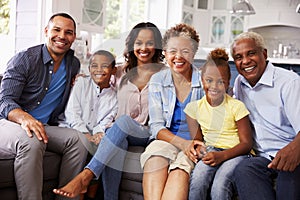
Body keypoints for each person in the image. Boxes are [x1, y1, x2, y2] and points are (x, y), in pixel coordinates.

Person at [53, 22, 165, 200]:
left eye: (149, 43)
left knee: (123, 122)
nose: (144, 48)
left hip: (147, 132)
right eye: (138, 43)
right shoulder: (119, 72)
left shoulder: (165, 74)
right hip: (118, 132)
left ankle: (87, 175)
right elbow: (100, 76)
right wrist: (82, 77)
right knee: (117, 142)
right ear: (132, 45)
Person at [0, 13, 87, 200]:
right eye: (57, 30)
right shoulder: (24, 59)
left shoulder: (73, 63)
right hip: (9, 124)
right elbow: (5, 101)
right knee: (32, 139)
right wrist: (26, 119)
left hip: (45, 125)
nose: (62, 36)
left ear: (73, 37)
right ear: (46, 31)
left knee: (79, 140)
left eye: (68, 32)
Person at [231, 31, 300, 200]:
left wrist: (294, 148)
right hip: (261, 158)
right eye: (239, 57)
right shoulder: (240, 83)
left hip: (291, 154)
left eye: (251, 53)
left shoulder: (289, 82)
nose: (245, 61)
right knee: (243, 170)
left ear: (264, 53)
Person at [140, 23, 204, 200]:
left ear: (193, 53)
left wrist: (189, 145)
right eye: (172, 51)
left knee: (180, 170)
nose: (178, 57)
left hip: (195, 144)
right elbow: (157, 127)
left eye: (185, 51)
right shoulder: (157, 80)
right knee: (154, 159)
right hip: (165, 140)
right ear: (165, 53)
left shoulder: (205, 81)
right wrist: (182, 143)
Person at [184, 48, 252, 200]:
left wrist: (222, 156)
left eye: (220, 81)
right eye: (209, 80)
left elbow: (247, 143)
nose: (214, 86)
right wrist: (200, 149)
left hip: (237, 153)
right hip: (212, 151)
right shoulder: (193, 109)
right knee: (198, 180)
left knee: (220, 186)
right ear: (202, 80)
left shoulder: (237, 106)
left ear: (228, 83)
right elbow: (198, 140)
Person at [63, 50, 118, 151]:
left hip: (95, 134)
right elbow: (72, 113)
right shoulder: (81, 83)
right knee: (81, 143)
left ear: (114, 70)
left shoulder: (115, 97)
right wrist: (85, 134)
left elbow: (107, 120)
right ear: (89, 69)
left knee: (106, 146)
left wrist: (98, 133)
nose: (99, 70)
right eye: (94, 66)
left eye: (104, 66)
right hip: (71, 129)